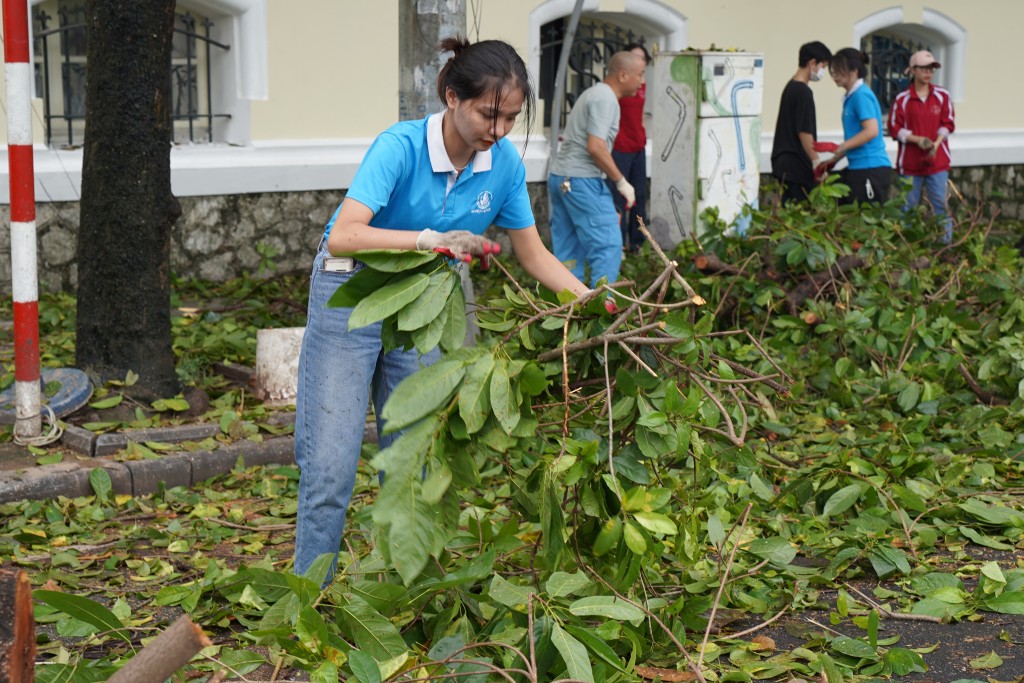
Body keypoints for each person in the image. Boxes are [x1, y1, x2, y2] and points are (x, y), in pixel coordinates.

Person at [293, 37, 589, 579]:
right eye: (488, 113)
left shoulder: (502, 167)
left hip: (425, 304)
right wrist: (430, 241)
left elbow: (533, 252)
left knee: (412, 461)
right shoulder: (400, 147)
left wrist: (587, 302)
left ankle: (402, 588)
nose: (497, 131)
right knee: (331, 467)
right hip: (349, 294)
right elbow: (345, 237)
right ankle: (308, 601)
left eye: (510, 118)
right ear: (452, 97)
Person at [548, 50, 646, 287]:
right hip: (582, 182)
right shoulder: (605, 99)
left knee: (569, 253)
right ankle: (600, 316)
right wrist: (621, 182)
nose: (642, 82)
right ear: (623, 75)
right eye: (640, 75)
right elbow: (596, 147)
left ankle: (568, 313)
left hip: (561, 177)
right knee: (609, 247)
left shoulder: (593, 93)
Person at [888, 49, 955, 242]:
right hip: (909, 163)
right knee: (907, 208)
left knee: (940, 206)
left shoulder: (942, 95)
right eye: (924, 68)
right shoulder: (902, 99)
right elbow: (894, 128)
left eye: (931, 68)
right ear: (913, 70)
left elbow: (948, 123)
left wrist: (936, 143)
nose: (928, 72)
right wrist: (917, 139)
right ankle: (907, 247)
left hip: (937, 161)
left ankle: (945, 248)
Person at [823, 48, 892, 205]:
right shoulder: (852, 96)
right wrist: (834, 160)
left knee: (866, 221)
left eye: (839, 71)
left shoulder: (860, 95)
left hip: (870, 168)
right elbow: (856, 136)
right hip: (859, 167)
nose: (834, 76)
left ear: (854, 71)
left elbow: (871, 130)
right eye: (833, 72)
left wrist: (842, 147)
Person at [770, 41, 833, 204]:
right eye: (823, 66)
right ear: (812, 63)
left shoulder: (790, 87)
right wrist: (816, 162)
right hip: (796, 166)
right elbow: (804, 132)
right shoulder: (803, 92)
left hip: (783, 163)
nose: (823, 72)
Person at [606, 43, 651, 251]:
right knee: (621, 198)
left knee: (639, 196)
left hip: (638, 146)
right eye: (635, 59)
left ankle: (638, 243)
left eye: (643, 62)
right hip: (620, 147)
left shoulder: (640, 86)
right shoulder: (616, 89)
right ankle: (619, 244)